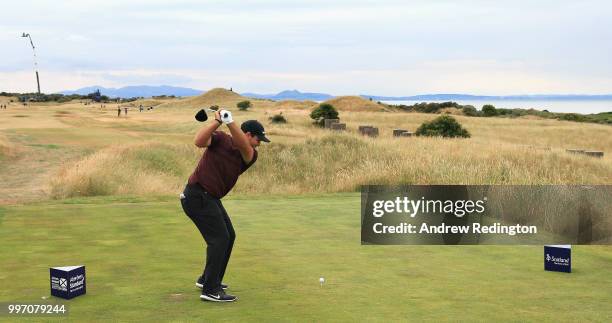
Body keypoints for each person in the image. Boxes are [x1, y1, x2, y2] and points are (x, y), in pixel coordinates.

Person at [180, 109, 270, 303]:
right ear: (248, 134)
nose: (259, 143)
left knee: (229, 236)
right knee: (220, 239)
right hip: (197, 195)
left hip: (209, 198)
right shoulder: (220, 138)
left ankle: (208, 280)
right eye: (258, 139)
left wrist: (229, 121)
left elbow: (245, 148)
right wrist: (218, 121)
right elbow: (198, 142)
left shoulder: (250, 154)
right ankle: (210, 289)